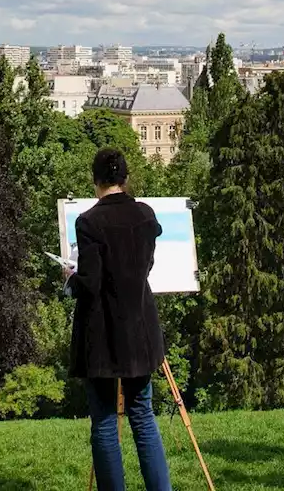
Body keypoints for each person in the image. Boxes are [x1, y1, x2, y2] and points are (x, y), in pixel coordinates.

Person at [64, 148, 172, 491]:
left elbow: (91, 283)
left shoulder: (89, 222)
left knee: (106, 423)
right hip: (139, 329)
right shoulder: (145, 216)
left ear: (96, 180)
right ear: (125, 178)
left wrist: (70, 277)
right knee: (143, 416)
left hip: (102, 334)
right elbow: (145, 267)